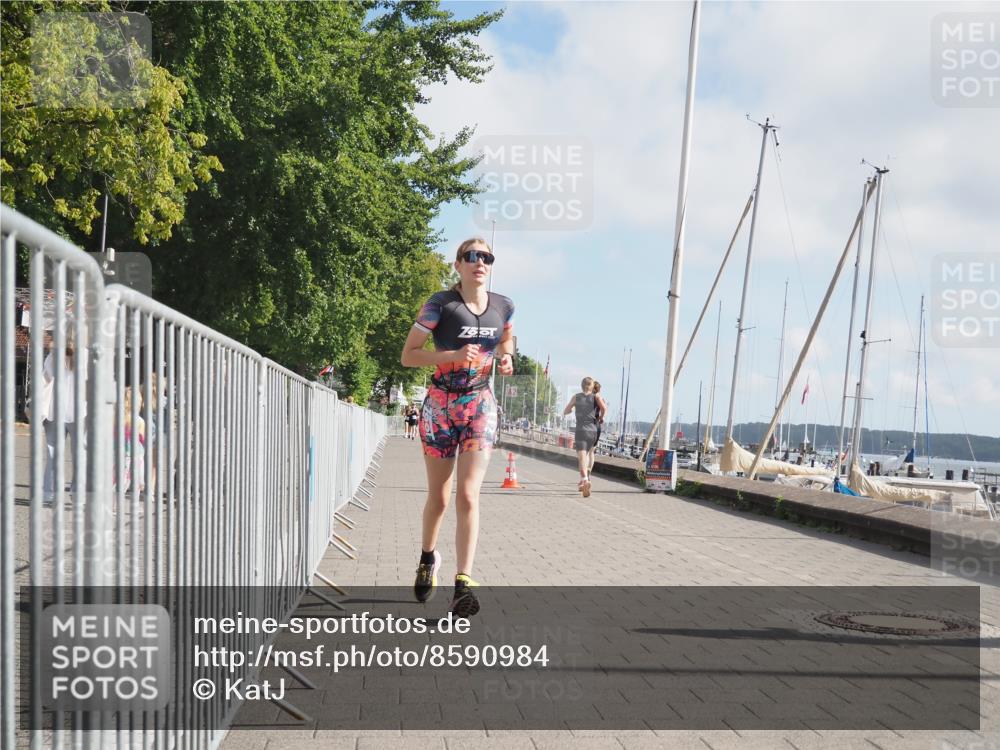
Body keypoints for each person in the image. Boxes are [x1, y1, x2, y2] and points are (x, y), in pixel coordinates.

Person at [400, 237, 514, 617]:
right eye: (472, 256)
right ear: (458, 265)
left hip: (480, 404)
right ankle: (428, 556)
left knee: (468, 495)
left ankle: (463, 585)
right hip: (440, 407)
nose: (480, 262)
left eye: (486, 257)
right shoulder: (440, 305)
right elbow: (408, 355)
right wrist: (450, 354)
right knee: (441, 498)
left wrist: (507, 355)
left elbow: (507, 333)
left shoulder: (503, 305)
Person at [563, 377, 601, 498]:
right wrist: (601, 418)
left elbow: (566, 410)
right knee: (590, 453)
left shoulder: (576, 397)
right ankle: (585, 477)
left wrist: (570, 410)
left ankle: (584, 479)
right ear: (592, 386)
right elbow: (604, 408)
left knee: (581, 456)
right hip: (594, 430)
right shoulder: (597, 397)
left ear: (581, 386)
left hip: (581, 430)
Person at [587, 381, 608, 476]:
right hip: (596, 424)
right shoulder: (599, 398)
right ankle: (588, 471)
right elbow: (604, 408)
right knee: (591, 451)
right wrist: (601, 417)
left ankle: (585, 475)